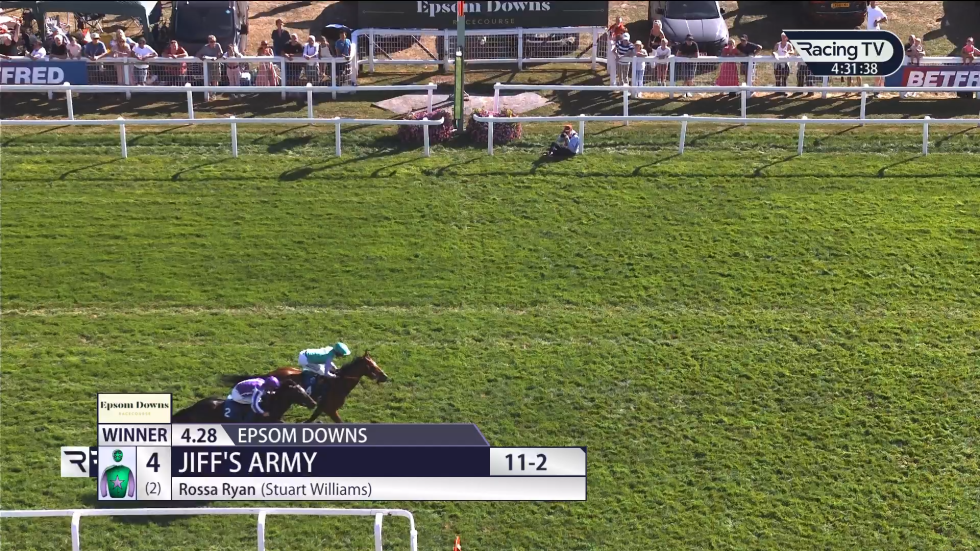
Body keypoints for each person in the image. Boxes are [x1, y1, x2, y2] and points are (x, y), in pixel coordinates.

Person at [866, 1, 887, 94]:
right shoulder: (868, 8)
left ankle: (879, 88)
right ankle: (878, 87)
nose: (872, 2)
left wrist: (877, 21)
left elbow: (885, 18)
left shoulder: (878, 10)